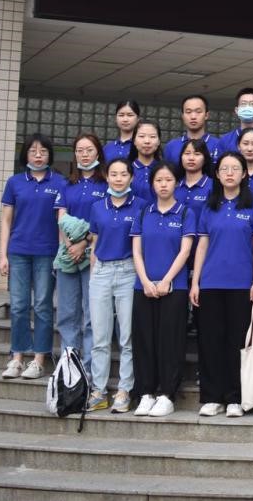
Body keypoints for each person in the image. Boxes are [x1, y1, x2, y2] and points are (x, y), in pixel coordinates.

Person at [190, 152, 253, 418]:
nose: (230, 173)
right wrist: (195, 282)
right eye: (225, 169)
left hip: (243, 284)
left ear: (244, 174)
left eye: (235, 168)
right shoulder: (209, 207)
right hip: (211, 283)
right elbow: (202, 246)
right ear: (217, 174)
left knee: (237, 342)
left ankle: (235, 397)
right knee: (210, 341)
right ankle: (212, 397)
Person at [0, 133, 67, 381]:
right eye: (33, 151)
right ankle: (16, 358)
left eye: (43, 151)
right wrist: (2, 254)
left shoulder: (59, 182)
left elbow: (62, 221)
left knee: (42, 306)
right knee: (18, 305)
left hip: (46, 252)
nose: (38, 155)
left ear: (50, 154)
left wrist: (62, 252)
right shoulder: (15, 182)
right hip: (18, 251)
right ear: (25, 154)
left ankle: (39, 360)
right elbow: (6, 221)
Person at [130, 161, 195, 418]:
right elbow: (137, 251)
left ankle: (167, 394)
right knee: (144, 341)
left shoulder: (185, 213)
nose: (164, 184)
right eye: (159, 180)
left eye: (168, 180)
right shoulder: (143, 212)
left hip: (174, 287)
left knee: (170, 341)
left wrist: (167, 280)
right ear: (152, 184)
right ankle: (146, 393)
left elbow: (185, 251)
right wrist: (146, 281)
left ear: (176, 183)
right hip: (143, 286)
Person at [85, 157, 142, 413]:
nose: (118, 179)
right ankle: (99, 390)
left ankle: (124, 389)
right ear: (107, 177)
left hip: (128, 271)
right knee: (100, 336)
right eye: (114, 174)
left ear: (131, 177)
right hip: (101, 271)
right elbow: (95, 241)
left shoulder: (141, 206)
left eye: (123, 174)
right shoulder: (97, 207)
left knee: (127, 336)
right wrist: (94, 271)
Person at [58, 133, 106, 367]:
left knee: (91, 313)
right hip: (68, 256)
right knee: (67, 313)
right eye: (80, 150)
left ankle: (87, 366)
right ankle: (69, 365)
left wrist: (84, 243)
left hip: (93, 255)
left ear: (98, 153)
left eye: (89, 150)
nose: (84, 155)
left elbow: (105, 222)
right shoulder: (67, 185)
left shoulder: (106, 184)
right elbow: (61, 217)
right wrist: (70, 246)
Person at [164, 95, 222, 166]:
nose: (193, 117)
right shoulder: (171, 146)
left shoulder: (219, 145)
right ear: (182, 116)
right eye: (188, 112)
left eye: (198, 112)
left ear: (206, 115)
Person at [220, 88, 253, 162]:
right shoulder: (225, 140)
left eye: (252, 104)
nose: (247, 108)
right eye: (243, 104)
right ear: (237, 110)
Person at [174, 138, 215, 214]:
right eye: (187, 153)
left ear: (205, 159)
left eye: (197, 154)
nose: (191, 158)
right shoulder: (175, 186)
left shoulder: (213, 186)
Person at [130, 120, 164, 201]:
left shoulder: (164, 170)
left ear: (159, 141)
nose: (147, 141)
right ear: (134, 140)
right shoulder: (126, 169)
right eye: (142, 136)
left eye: (152, 137)